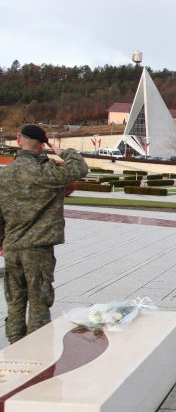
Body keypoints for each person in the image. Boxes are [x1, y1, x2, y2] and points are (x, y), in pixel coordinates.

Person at [0, 125, 88, 344]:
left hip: (12, 248)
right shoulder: (47, 172)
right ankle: (35, 352)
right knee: (39, 302)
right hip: (38, 250)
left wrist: (1, 241)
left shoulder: (4, 174)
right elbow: (79, 168)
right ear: (42, 145)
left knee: (15, 302)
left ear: (19, 141)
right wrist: (61, 151)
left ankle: (15, 350)